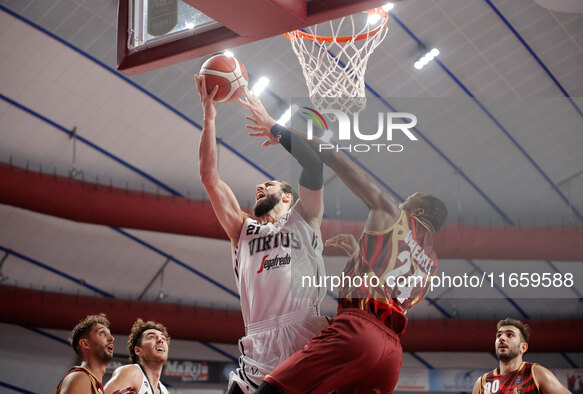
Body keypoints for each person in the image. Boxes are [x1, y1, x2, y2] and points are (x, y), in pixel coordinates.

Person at [245, 106, 448, 393]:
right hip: (391, 356)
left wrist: (278, 129)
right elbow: (388, 289)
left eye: (409, 200)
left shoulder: (394, 214)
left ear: (419, 209)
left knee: (273, 389)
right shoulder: (431, 264)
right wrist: (359, 254)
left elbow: (334, 157)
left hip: (357, 332)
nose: (402, 202)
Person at [194, 76, 328, 393]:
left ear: (286, 197)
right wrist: (209, 117)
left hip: (304, 333)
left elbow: (314, 165)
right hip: (258, 344)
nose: (258, 187)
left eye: (267, 185)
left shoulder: (305, 218)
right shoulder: (242, 230)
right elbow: (209, 177)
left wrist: (274, 128)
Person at [472, 318, 571, 394]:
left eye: (510, 335)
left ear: (523, 347)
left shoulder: (536, 373)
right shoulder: (482, 383)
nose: (501, 338)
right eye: (499, 335)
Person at [56, 313, 133, 394]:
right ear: (85, 344)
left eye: (110, 334)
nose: (111, 338)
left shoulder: (92, 383)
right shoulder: (80, 377)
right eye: (102, 333)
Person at [104, 319, 170, 394]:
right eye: (152, 337)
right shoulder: (132, 373)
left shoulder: (165, 391)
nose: (160, 340)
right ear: (138, 351)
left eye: (163, 338)